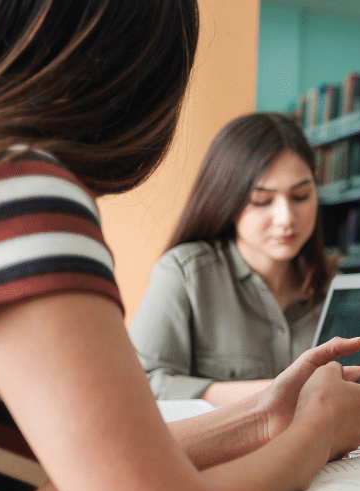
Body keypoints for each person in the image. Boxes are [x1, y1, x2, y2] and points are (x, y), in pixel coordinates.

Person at [0, 1, 360, 491]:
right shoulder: (9, 192)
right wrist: (317, 431)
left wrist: (267, 414)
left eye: (301, 196)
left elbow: (87, 468)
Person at [130, 112, 331, 404]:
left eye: (300, 195)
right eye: (262, 200)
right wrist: (277, 393)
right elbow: (142, 386)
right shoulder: (185, 273)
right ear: (226, 198)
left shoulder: (336, 288)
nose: (285, 218)